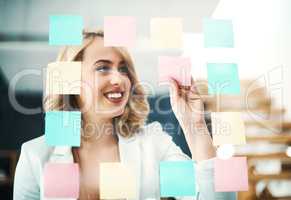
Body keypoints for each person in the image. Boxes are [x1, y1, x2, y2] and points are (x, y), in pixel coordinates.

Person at [13, 30, 236, 200]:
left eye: (123, 69)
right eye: (102, 67)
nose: (120, 80)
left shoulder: (153, 143)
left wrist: (193, 125)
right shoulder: (35, 155)